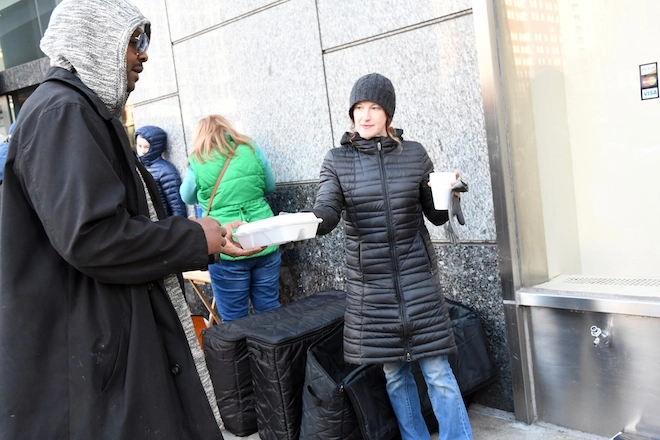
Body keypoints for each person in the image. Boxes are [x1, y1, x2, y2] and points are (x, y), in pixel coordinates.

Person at [0, 1, 259, 438]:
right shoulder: (63, 112)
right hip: (95, 366)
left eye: (147, 39)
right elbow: (94, 237)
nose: (144, 54)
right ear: (96, 41)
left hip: (102, 352)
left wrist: (196, 237)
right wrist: (194, 237)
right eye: (135, 40)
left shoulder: (77, 110)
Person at [311, 73, 473, 440]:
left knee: (438, 374)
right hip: (373, 292)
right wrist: (306, 223)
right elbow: (327, 210)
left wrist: (449, 192)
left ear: (388, 113)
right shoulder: (337, 160)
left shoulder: (414, 154)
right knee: (395, 376)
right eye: (358, 109)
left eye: (374, 108)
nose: (365, 116)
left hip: (418, 283)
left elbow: (434, 215)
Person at [180, 114, 281, 322]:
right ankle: (277, 354)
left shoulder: (198, 159)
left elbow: (186, 196)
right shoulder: (250, 148)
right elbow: (270, 185)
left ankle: (241, 355)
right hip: (264, 238)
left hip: (225, 244)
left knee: (234, 319)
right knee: (270, 310)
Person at [135, 125, 187, 217]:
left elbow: (177, 206)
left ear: (155, 147)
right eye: (139, 146)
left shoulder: (165, 170)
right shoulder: (138, 166)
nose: (142, 151)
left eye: (146, 147)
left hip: (163, 223)